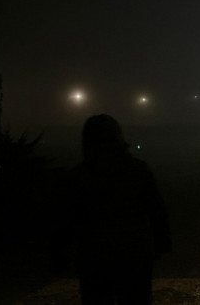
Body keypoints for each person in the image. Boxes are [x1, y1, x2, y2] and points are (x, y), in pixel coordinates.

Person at [54, 114, 171, 305]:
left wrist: (60, 255)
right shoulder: (138, 171)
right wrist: (162, 243)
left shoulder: (78, 176)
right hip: (133, 253)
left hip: (94, 255)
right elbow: (156, 211)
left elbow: (65, 220)